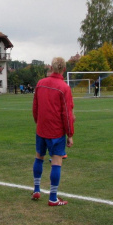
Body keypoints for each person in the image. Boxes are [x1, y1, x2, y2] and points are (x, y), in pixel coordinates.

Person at [31, 57, 75, 206]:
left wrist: (39, 123)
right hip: (56, 132)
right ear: (63, 69)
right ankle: (53, 198)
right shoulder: (64, 88)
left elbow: (35, 107)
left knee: (39, 157)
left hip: (41, 129)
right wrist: (70, 134)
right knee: (56, 162)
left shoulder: (40, 83)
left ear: (50, 67)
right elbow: (67, 114)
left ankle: (36, 190)